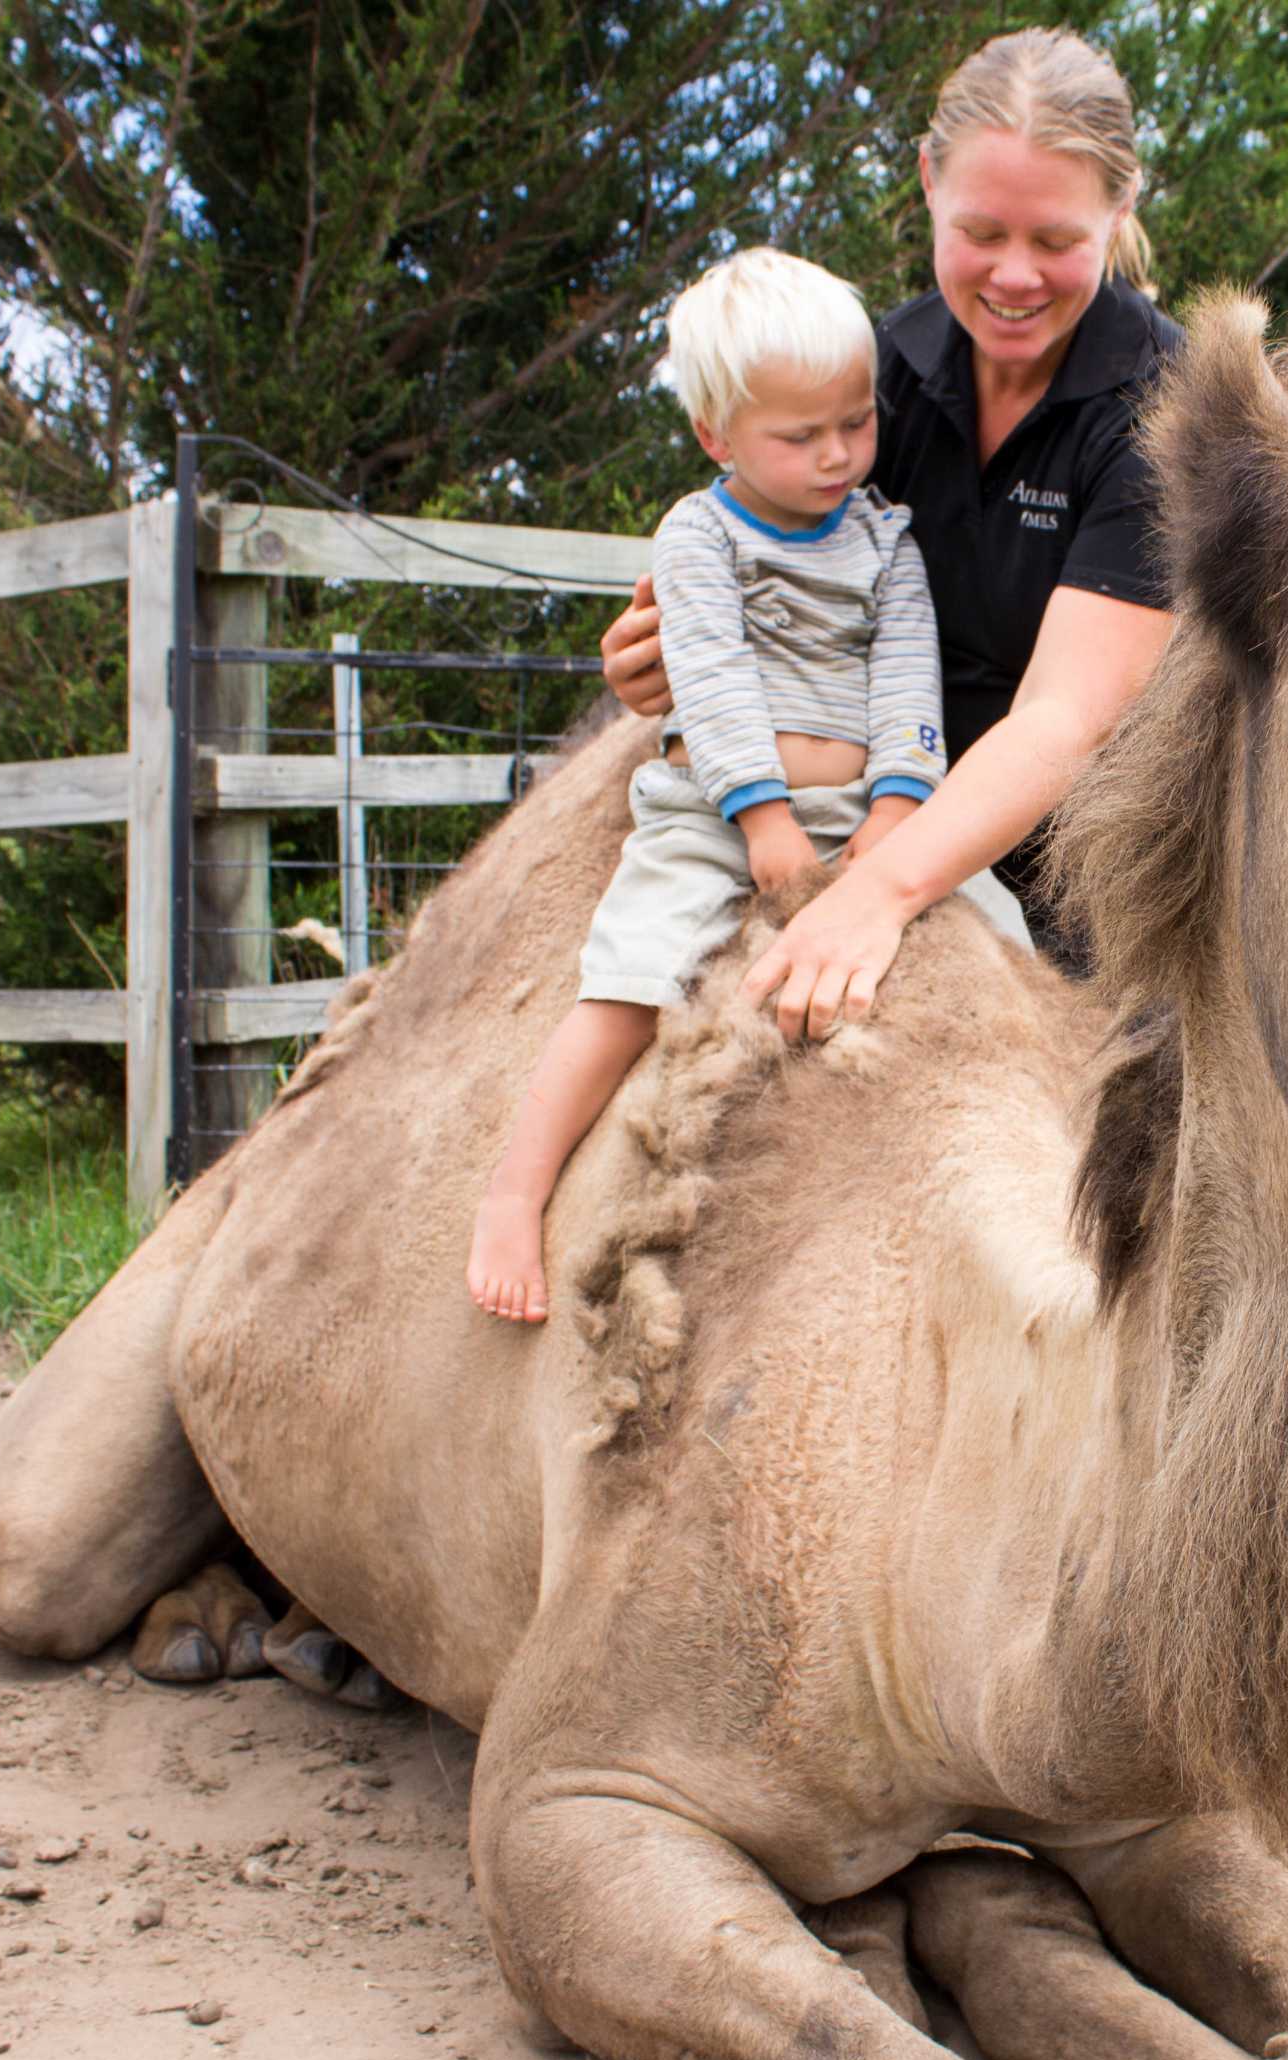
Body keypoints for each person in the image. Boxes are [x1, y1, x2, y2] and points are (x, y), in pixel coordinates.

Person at [466, 247, 1027, 1322]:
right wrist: (761, 817)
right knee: (634, 977)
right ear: (717, 437)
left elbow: (909, 668)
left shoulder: (883, 538)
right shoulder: (700, 536)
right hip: (718, 817)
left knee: (1002, 933)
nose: (837, 454)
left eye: (856, 425)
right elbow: (711, 678)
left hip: (865, 810)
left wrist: (901, 808)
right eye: (800, 435)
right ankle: (515, 1189)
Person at [600, 26, 1181, 1042]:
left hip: (1101, 884)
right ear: (925, 183)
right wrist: (665, 661)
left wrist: (881, 894)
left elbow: (1066, 716)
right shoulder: (873, 383)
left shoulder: (1162, 412)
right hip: (869, 818)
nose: (1012, 275)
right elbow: (772, 564)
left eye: (1054, 241)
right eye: (982, 232)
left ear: (1121, 209)